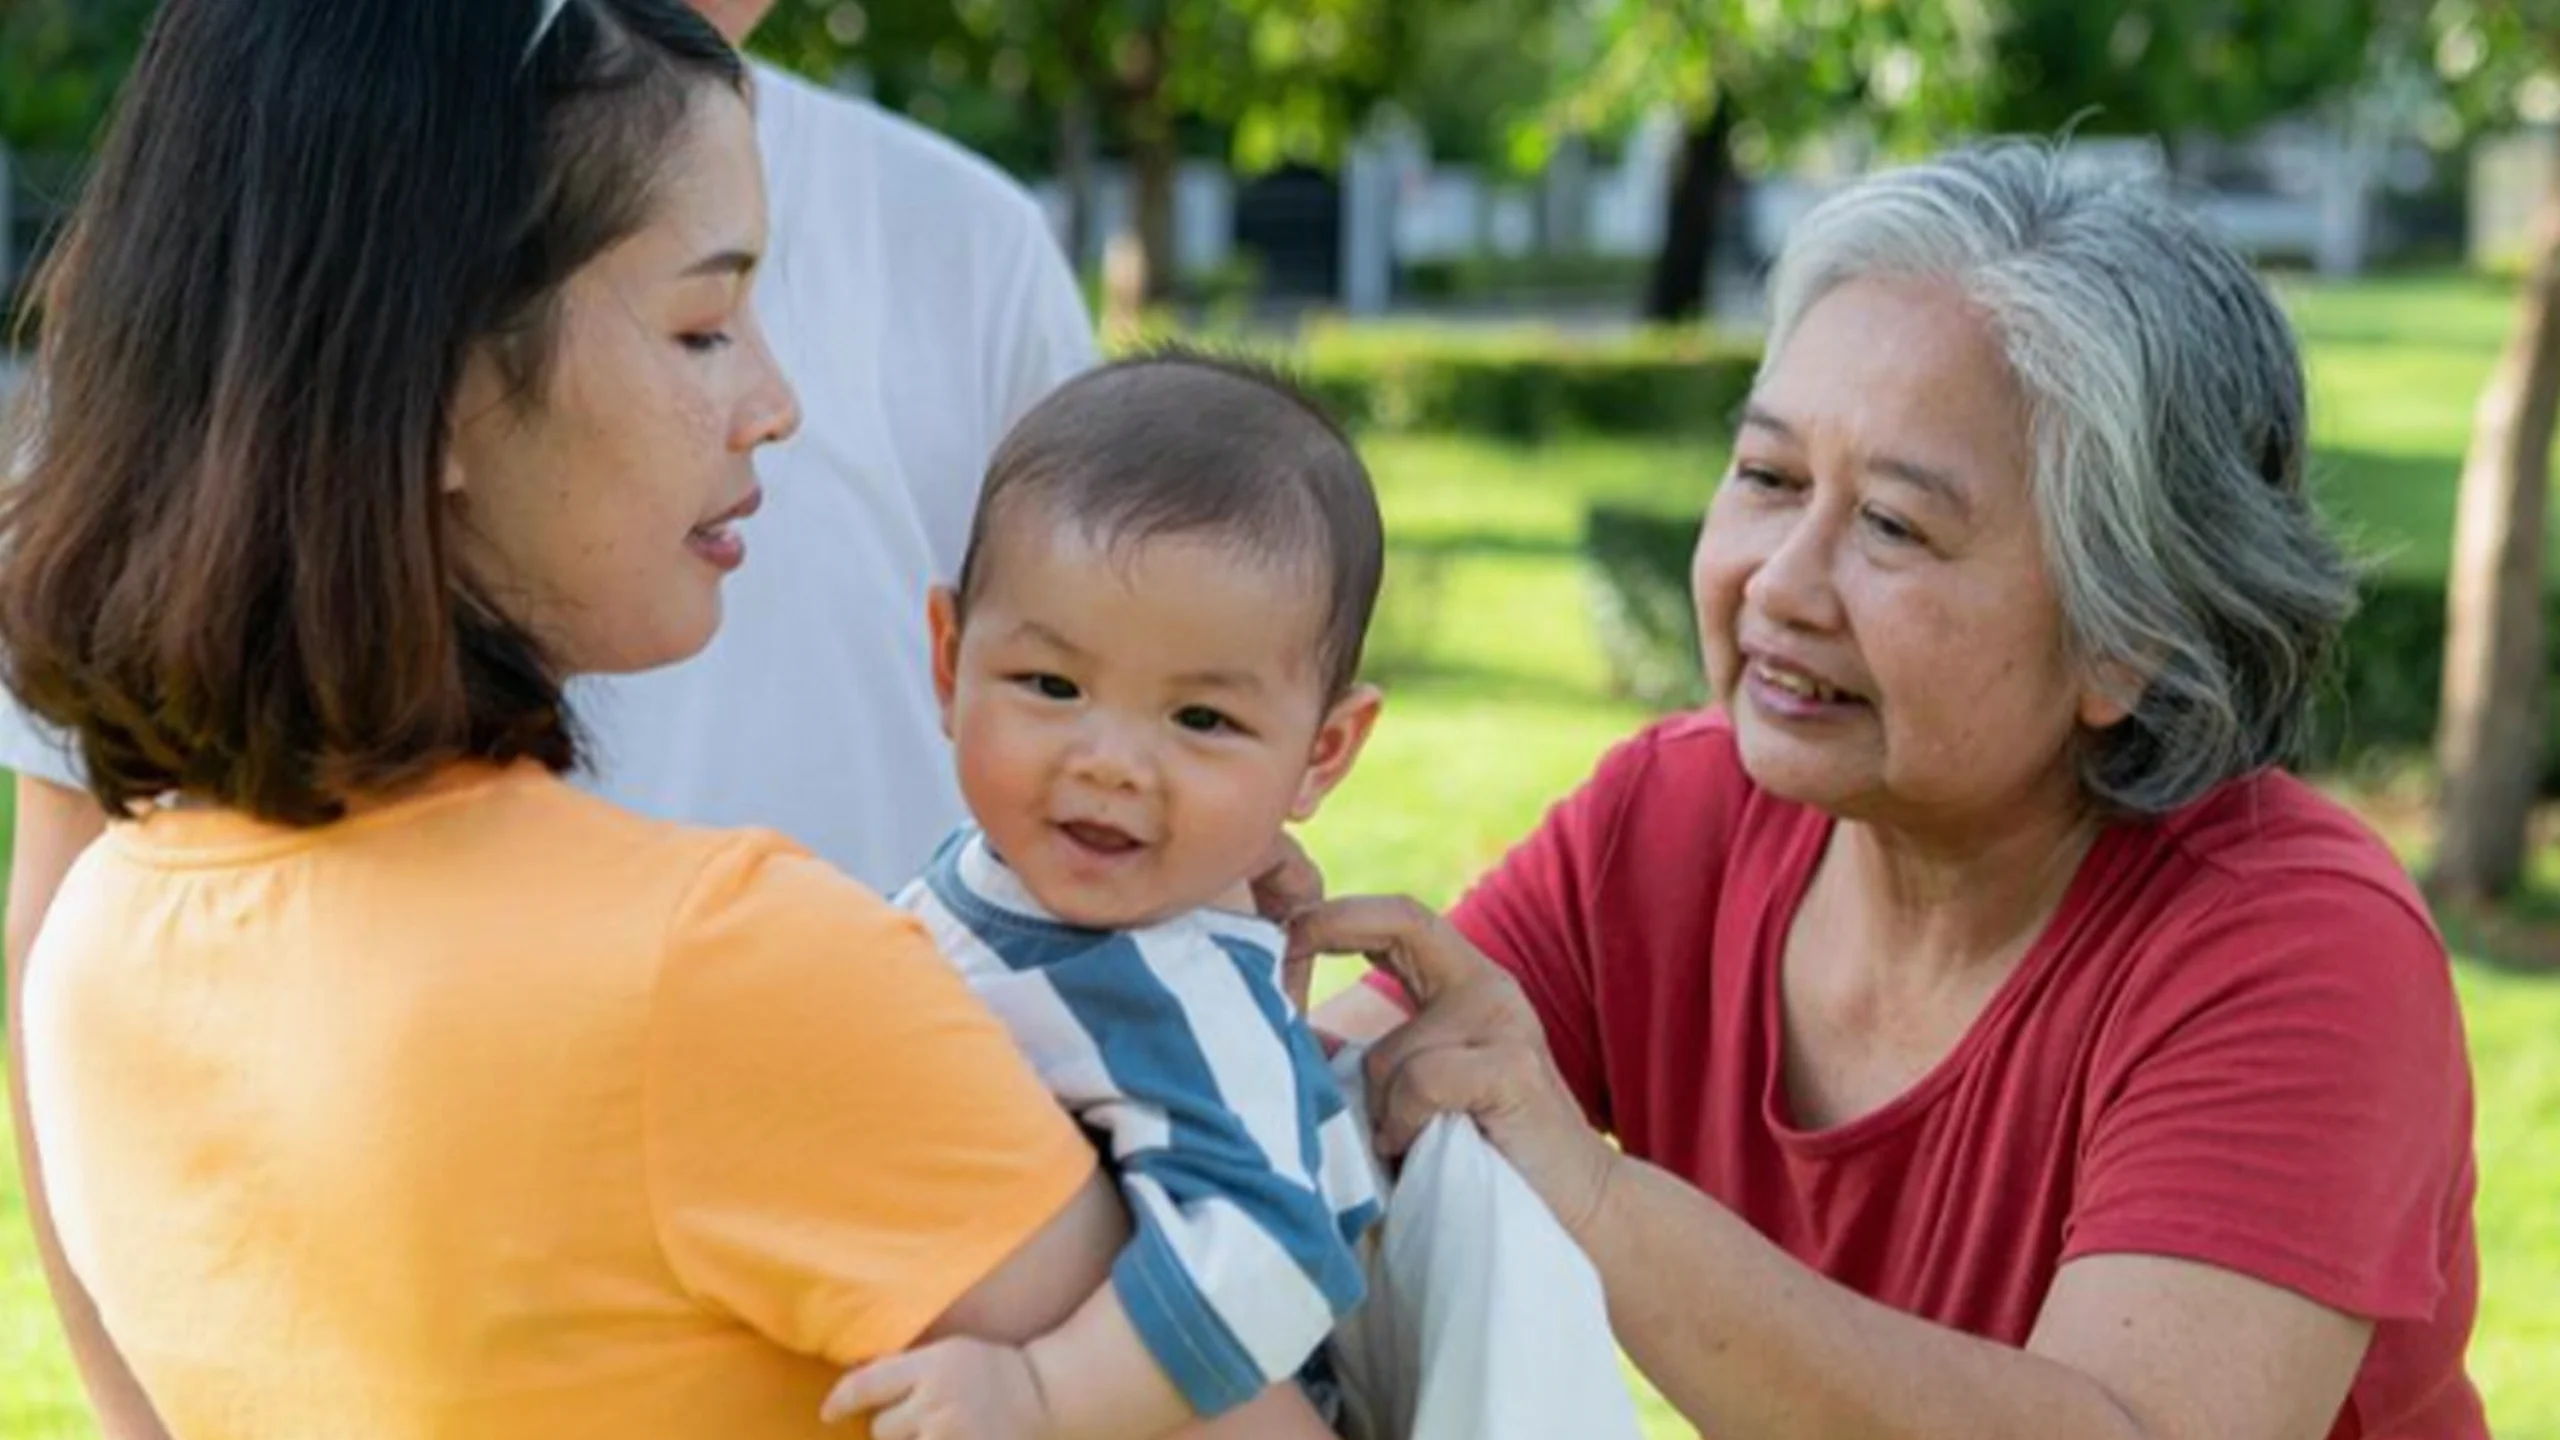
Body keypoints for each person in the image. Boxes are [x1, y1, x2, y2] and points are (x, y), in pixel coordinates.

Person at [0, 3, 1303, 1437]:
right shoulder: (728, 974)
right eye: (703, 327)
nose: (774, 403)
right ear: (431, 382)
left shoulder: (100, 948)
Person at [1302, 143, 2487, 1439]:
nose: (1780, 584)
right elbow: (1330, 1112)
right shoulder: (1672, 821)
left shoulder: (2295, 946)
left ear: (2126, 634)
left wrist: (1592, 1199)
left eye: (1895, 527)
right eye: (1767, 477)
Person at [820, 354, 1388, 1439]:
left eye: (1201, 720)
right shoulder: (988, 878)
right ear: (948, 664)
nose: (1112, 762)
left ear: (1321, 754)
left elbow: (1275, 1254)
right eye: (1052, 687)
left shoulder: (1179, 996)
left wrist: (1043, 1396)